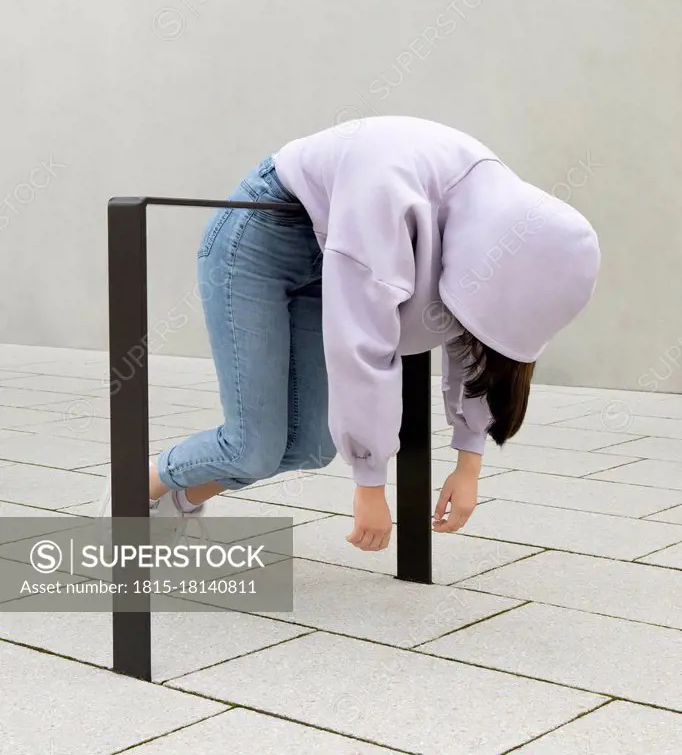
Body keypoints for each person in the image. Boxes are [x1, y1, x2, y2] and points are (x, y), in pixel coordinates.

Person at [102, 116, 600, 551]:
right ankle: (133, 491)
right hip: (262, 231)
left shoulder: (503, 228)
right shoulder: (396, 192)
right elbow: (363, 344)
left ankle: (180, 498)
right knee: (251, 445)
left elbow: (475, 341)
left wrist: (468, 463)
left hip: (330, 247)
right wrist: (370, 487)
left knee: (314, 447)